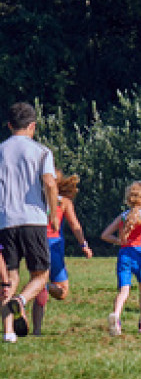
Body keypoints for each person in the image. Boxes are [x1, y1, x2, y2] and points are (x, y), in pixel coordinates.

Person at [0, 102, 59, 343]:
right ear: (32, 126)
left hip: (5, 221)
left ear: (9, 125)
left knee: (9, 280)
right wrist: (53, 213)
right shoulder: (41, 151)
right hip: (33, 219)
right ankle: (21, 301)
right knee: (41, 275)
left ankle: (8, 332)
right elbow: (49, 183)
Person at [31, 169, 94, 336]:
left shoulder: (34, 200)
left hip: (34, 242)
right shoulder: (64, 202)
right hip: (53, 245)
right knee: (62, 291)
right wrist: (84, 245)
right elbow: (74, 225)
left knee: (37, 283)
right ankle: (43, 286)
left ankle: (37, 330)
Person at [100, 181, 141, 336]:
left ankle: (116, 316)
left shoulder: (123, 216)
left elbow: (105, 235)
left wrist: (120, 241)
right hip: (139, 254)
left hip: (124, 254)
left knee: (124, 289)